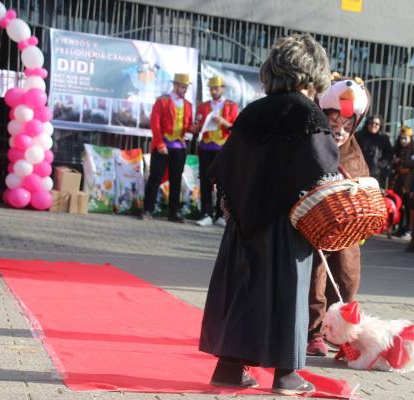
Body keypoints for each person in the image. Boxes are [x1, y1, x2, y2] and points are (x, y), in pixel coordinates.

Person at [199, 34, 338, 395]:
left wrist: (238, 207)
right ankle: (287, 375)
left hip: (244, 222)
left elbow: (225, 168)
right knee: (287, 293)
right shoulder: (308, 112)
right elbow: (322, 169)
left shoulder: (253, 111)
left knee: (242, 290)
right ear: (312, 72)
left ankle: (228, 368)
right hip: (287, 225)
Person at [307, 77, 370, 357]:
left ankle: (342, 333)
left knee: (346, 279)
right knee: (315, 280)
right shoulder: (313, 146)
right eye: (334, 126)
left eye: (346, 126)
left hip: (347, 230)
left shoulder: (354, 154)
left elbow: (365, 185)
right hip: (316, 230)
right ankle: (314, 332)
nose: (340, 132)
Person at [142, 73, 197, 222]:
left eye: (186, 87)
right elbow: (155, 123)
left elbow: (186, 127)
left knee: (176, 179)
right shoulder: (162, 101)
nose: (184, 89)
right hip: (163, 144)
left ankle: (174, 213)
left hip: (179, 145)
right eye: (182, 86)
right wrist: (159, 143)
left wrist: (194, 128)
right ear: (175, 85)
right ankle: (147, 210)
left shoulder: (188, 105)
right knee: (155, 177)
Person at [195, 76, 239, 227]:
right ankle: (205, 213)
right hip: (206, 146)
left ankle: (220, 214)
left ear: (222, 89)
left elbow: (235, 128)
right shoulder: (203, 106)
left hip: (222, 148)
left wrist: (223, 122)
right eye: (211, 89)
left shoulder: (231, 106)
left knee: (222, 182)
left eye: (216, 88)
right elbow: (197, 126)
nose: (213, 91)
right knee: (205, 180)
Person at [355, 114, 393, 187]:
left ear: (380, 126)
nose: (373, 125)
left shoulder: (384, 138)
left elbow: (389, 155)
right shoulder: (358, 136)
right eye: (371, 123)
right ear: (367, 124)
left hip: (376, 174)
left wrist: (379, 165)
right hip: (359, 172)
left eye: (377, 124)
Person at [392, 126, 414, 236]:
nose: (403, 141)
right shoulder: (397, 149)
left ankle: (407, 227)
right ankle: (399, 226)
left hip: (408, 181)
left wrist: (408, 183)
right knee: (398, 203)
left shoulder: (413, 151)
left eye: (405, 138)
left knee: (407, 206)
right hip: (398, 179)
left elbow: (413, 167)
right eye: (401, 138)